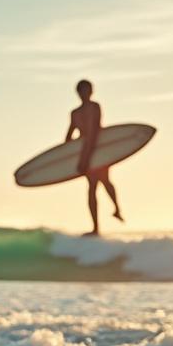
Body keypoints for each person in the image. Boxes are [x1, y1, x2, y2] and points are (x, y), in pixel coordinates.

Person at [65, 79, 123, 236]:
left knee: (104, 181)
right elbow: (69, 137)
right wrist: (73, 156)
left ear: (91, 91)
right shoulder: (75, 114)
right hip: (89, 152)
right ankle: (97, 226)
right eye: (83, 91)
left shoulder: (94, 108)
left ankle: (116, 210)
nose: (86, 94)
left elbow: (93, 133)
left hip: (98, 150)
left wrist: (84, 159)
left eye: (88, 90)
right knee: (93, 187)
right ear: (79, 93)